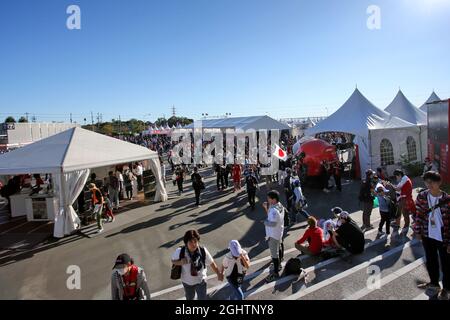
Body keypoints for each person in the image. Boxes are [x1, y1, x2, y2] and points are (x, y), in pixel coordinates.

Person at [413, 171, 450, 300]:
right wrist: (417, 231)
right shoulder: (422, 196)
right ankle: (434, 283)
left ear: (439, 182)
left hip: (443, 236)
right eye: (426, 182)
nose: (429, 185)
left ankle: (446, 288)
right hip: (427, 234)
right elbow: (418, 214)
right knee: (431, 260)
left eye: (432, 182)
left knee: (446, 264)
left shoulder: (447, 199)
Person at [171, 230, 223, 300]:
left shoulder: (203, 251)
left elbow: (211, 263)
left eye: (195, 241)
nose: (194, 244)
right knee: (190, 298)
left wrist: (218, 273)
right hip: (187, 282)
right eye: (191, 242)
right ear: (186, 243)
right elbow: (173, 261)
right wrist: (180, 262)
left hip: (201, 281)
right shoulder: (180, 251)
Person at [263, 190, 285, 282]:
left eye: (269, 198)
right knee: (279, 247)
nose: (267, 200)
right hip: (279, 231)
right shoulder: (280, 205)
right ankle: (279, 264)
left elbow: (272, 223)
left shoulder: (273, 210)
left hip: (273, 234)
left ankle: (275, 273)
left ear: (273, 199)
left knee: (274, 254)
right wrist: (266, 208)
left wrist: (264, 222)